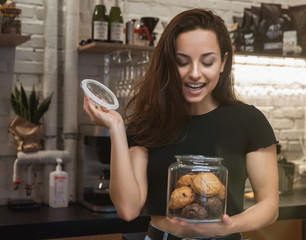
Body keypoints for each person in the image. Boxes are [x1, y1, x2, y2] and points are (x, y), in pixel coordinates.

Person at [83, 8, 279, 240]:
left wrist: (227, 226)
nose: (195, 73)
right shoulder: (149, 123)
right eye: (182, 62)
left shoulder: (249, 121)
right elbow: (128, 209)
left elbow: (269, 206)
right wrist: (115, 127)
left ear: (223, 63)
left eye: (207, 62)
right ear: (169, 64)